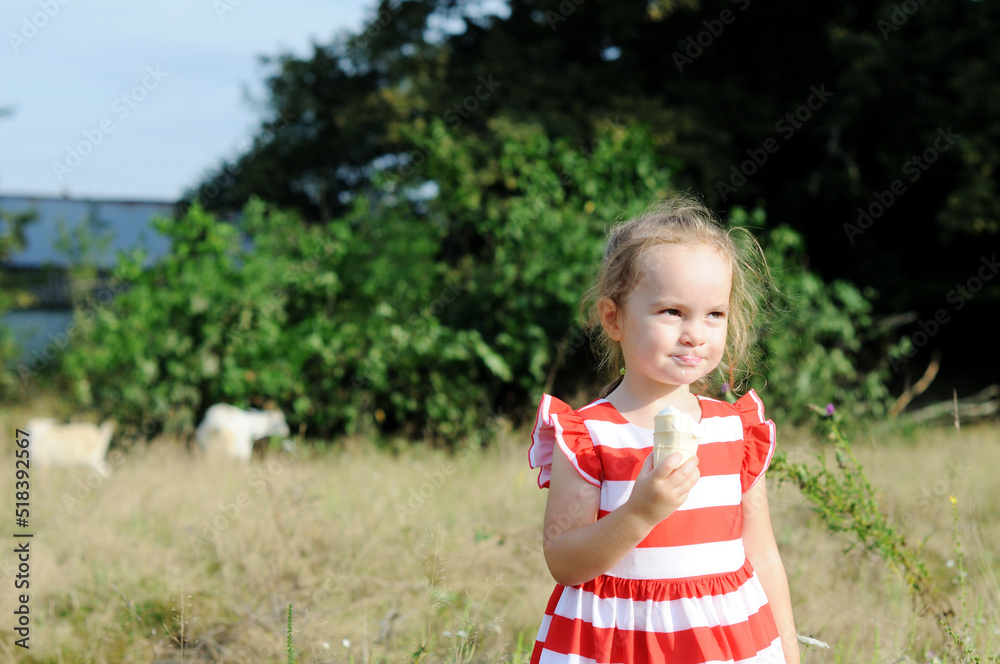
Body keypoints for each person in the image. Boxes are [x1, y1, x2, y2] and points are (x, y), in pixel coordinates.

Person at [527, 196, 800, 663]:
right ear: (613, 318)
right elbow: (564, 562)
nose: (696, 333)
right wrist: (639, 512)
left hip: (721, 640)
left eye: (714, 314)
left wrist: (789, 652)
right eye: (672, 312)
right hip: (617, 641)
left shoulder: (733, 431)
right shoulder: (589, 434)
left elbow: (764, 556)